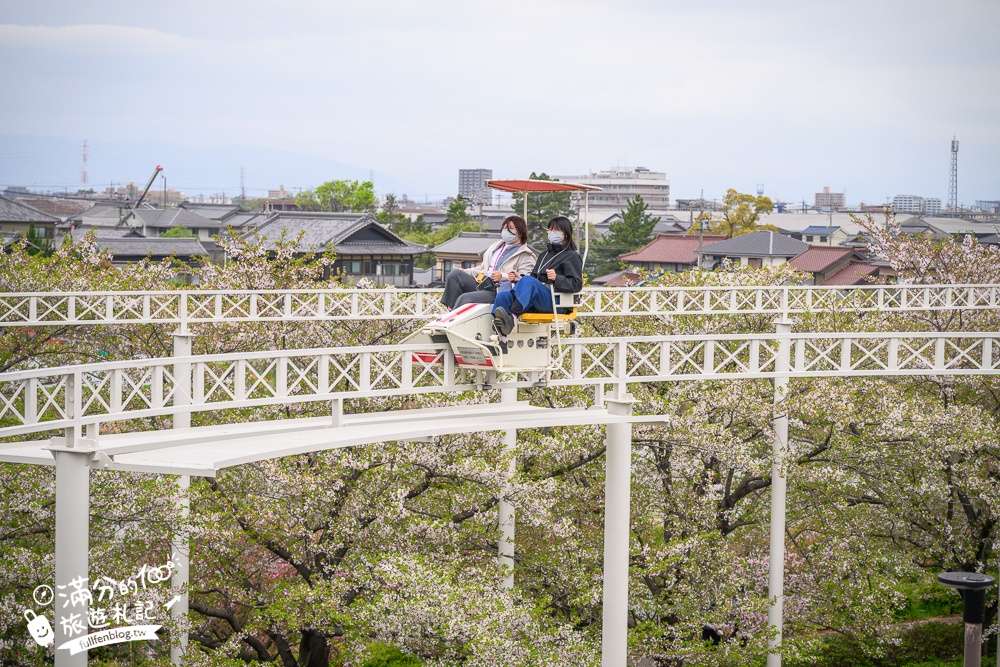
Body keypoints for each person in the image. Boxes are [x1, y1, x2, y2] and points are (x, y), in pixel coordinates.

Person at [492, 215, 582, 339]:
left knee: (528, 280)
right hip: (538, 298)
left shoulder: (571, 256)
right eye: (549, 230)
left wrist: (557, 278)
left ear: (565, 234)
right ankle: (501, 337)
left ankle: (512, 316)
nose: (551, 233)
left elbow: (576, 284)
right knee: (503, 295)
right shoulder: (544, 255)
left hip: (556, 301)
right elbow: (535, 280)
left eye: (555, 230)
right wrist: (519, 278)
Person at [439, 215, 536, 309]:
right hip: (482, 283)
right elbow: (483, 268)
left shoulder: (525, 254)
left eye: (511, 228)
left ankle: (454, 320)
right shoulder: (496, 246)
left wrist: (503, 276)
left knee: (466, 298)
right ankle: (450, 311)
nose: (506, 231)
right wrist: (465, 271)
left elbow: (526, 279)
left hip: (499, 290)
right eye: (505, 228)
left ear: (520, 232)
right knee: (455, 274)